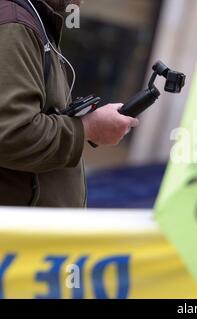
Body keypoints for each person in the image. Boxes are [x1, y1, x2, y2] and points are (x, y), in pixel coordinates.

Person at [0, 0, 139, 207]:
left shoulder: (27, 21)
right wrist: (88, 128)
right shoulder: (15, 25)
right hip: (15, 235)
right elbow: (11, 135)